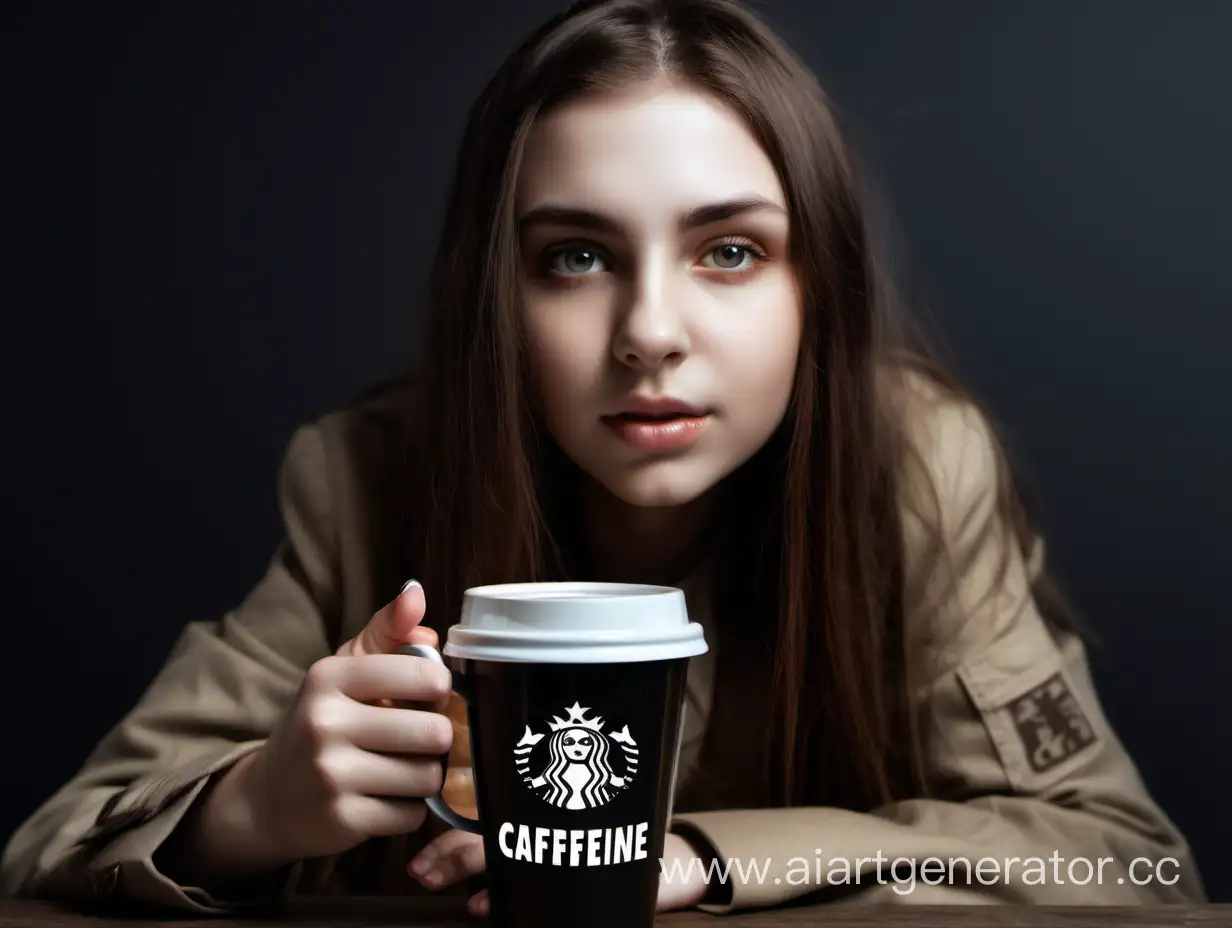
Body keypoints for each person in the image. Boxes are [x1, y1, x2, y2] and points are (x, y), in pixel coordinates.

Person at [1, 0, 1207, 916]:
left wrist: (710, 857)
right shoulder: (368, 474)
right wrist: (255, 806)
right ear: (495, 292)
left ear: (816, 288)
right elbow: (55, 842)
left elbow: (1126, 857)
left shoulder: (914, 472)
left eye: (727, 251)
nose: (647, 333)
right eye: (573, 256)